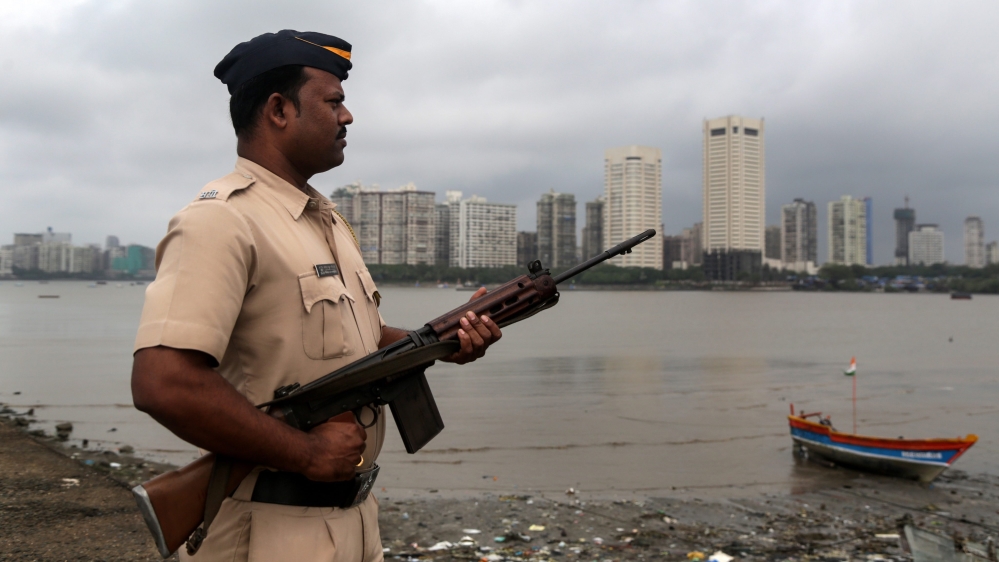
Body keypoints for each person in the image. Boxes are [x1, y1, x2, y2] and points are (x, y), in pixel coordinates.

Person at [130, 30, 502, 562]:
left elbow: (359, 343)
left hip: (351, 522)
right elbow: (163, 382)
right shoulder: (222, 220)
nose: (347, 117)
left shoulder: (324, 220)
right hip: (267, 531)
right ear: (279, 110)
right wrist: (302, 451)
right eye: (333, 102)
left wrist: (443, 340)